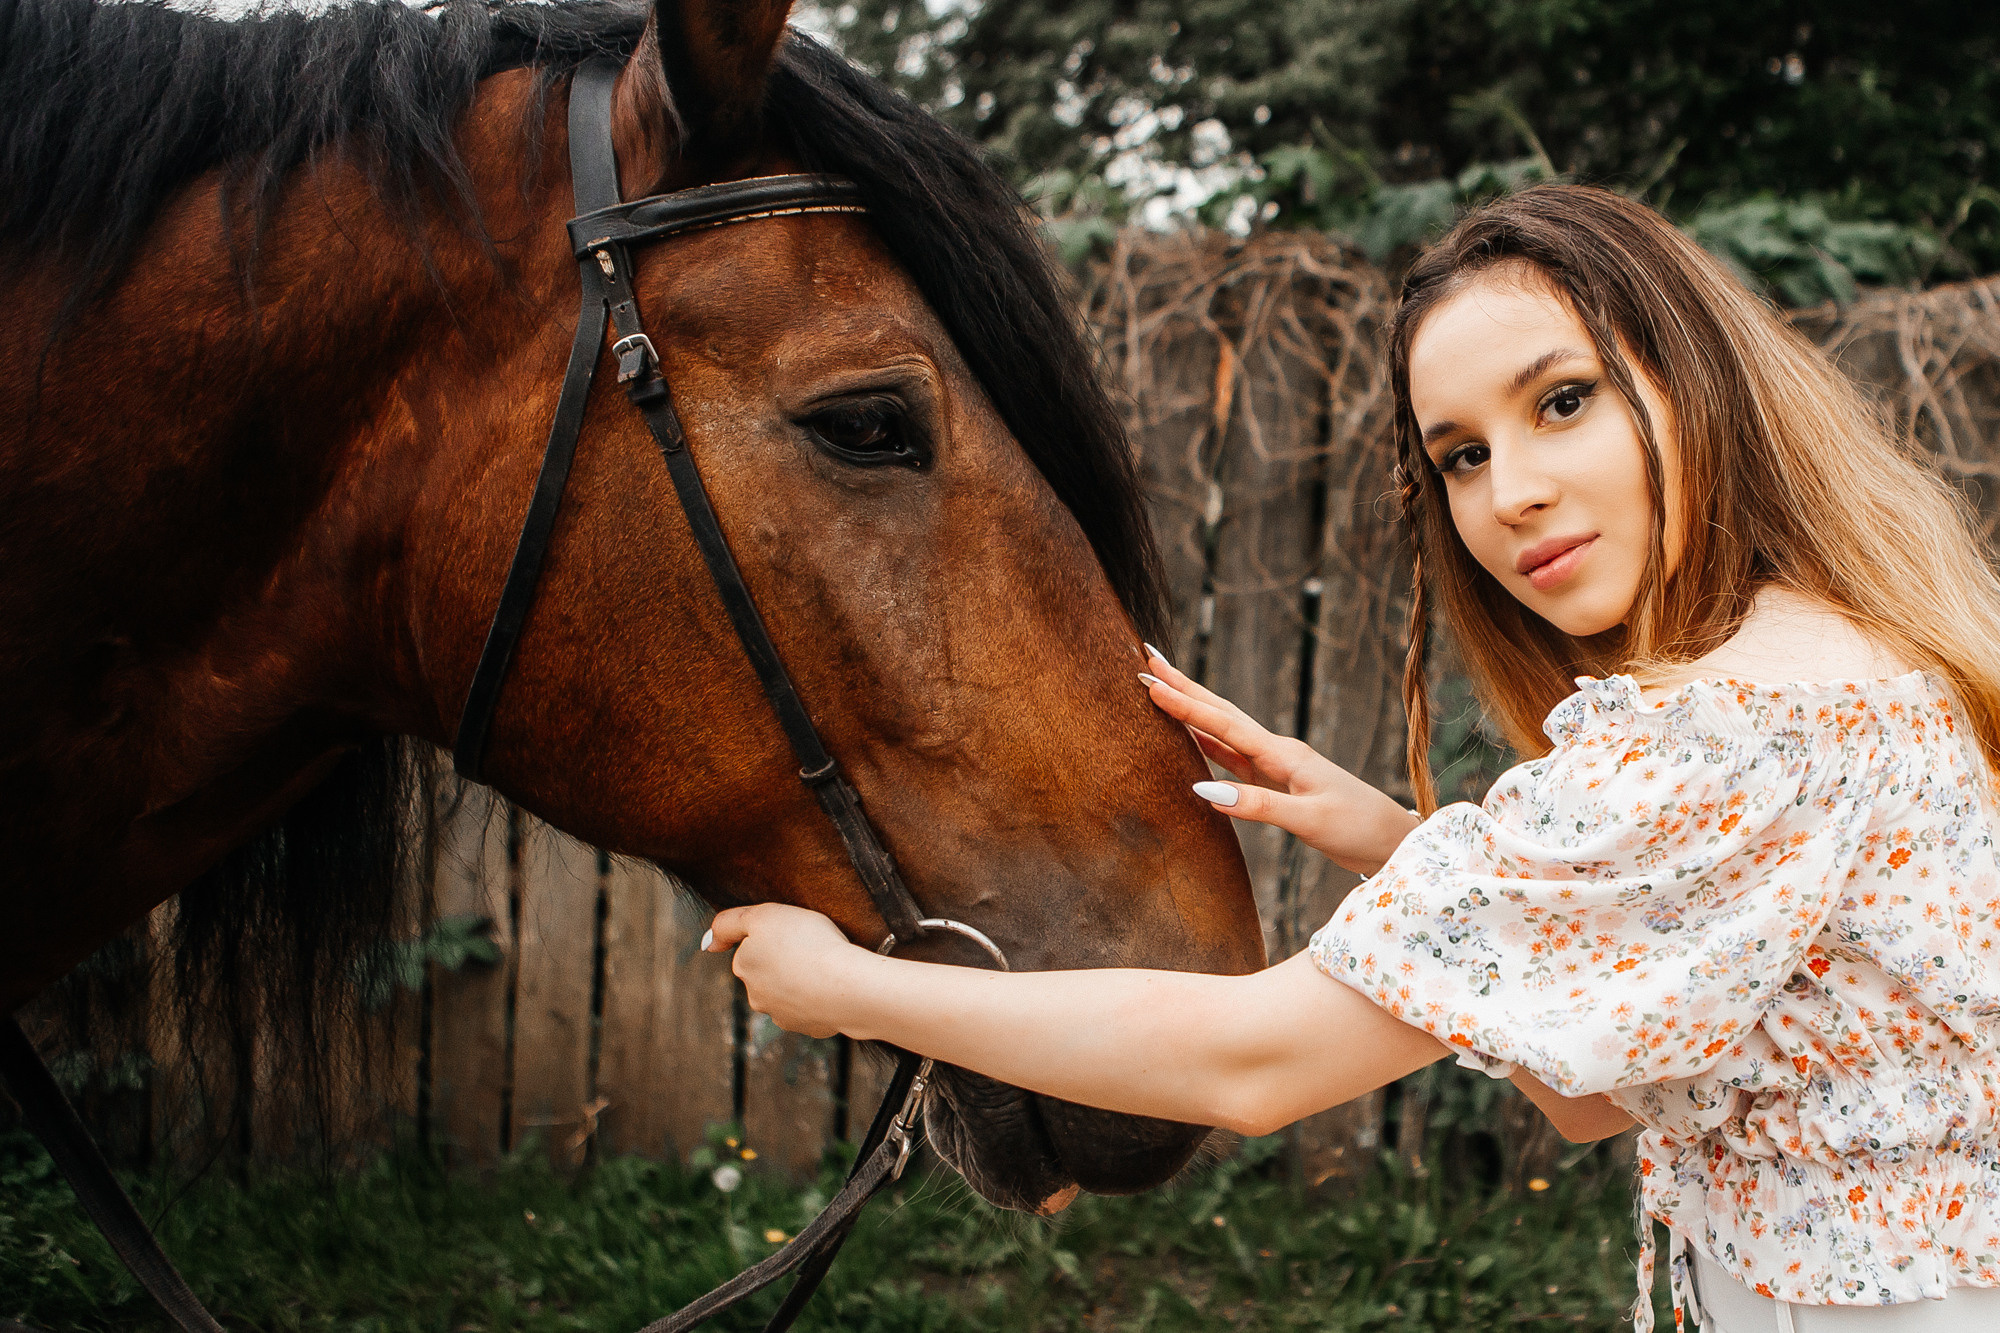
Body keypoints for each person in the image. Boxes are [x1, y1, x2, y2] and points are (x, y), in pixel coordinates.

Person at [704, 184, 2000, 1331]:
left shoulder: (1722, 733)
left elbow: (1254, 1061)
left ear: (1696, 380)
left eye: (1563, 401)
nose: (1514, 492)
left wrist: (856, 987)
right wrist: (1398, 839)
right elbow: (1598, 1090)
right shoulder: (1856, 658)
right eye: (1462, 457)